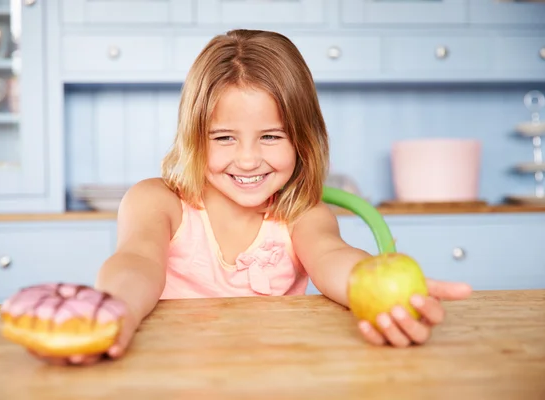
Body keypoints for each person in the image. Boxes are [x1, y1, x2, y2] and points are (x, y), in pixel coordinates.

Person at [35, 29, 472, 366]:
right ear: (193, 138)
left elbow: (333, 256)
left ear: (302, 140)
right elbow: (137, 263)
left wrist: (381, 287)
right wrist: (115, 311)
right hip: (172, 374)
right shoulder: (156, 201)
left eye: (270, 136)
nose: (247, 160)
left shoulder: (302, 213)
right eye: (224, 137)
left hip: (275, 372)